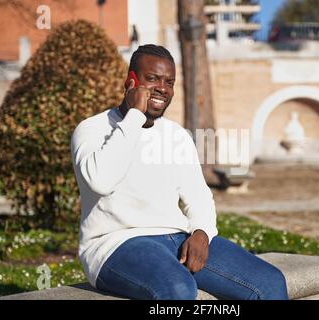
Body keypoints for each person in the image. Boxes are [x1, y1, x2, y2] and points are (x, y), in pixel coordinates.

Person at [71, 44, 289, 300]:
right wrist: (134, 117)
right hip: (114, 245)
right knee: (178, 290)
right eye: (152, 79)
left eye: (169, 82)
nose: (162, 88)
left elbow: (198, 196)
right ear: (131, 81)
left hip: (178, 237)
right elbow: (101, 181)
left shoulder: (176, 135)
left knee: (270, 283)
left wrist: (201, 232)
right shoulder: (92, 129)